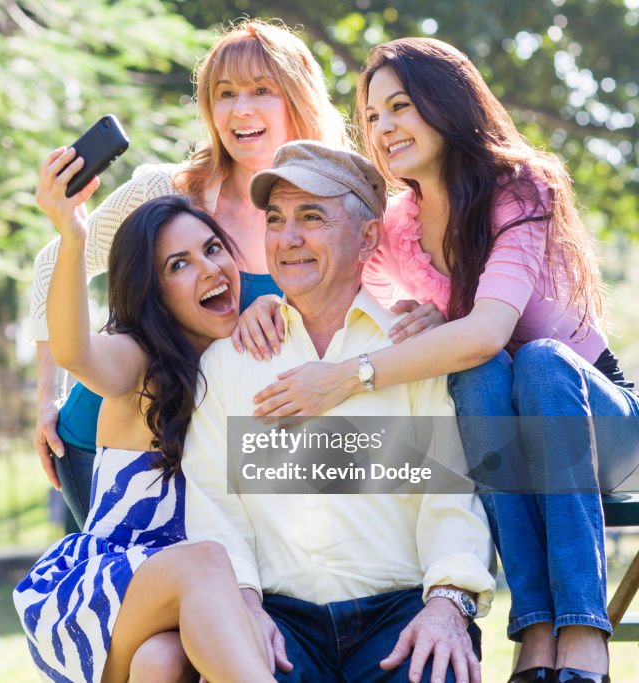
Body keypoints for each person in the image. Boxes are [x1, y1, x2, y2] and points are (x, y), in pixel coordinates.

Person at [237, 38, 638, 683]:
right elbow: (324, 276)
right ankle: (535, 634)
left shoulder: (520, 186)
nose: (384, 127)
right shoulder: (397, 224)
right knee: (477, 378)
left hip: (598, 422)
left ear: (445, 104)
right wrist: (263, 304)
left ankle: (585, 631)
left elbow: (485, 331)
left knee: (535, 361)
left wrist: (347, 378)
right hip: (502, 424)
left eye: (401, 106)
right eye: (371, 116)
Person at [183, 140, 496, 683]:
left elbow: (451, 495)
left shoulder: (414, 350)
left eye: (311, 217)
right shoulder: (228, 363)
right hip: (276, 618)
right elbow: (214, 504)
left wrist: (447, 605)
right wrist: (242, 606)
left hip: (402, 613)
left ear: (368, 236)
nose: (288, 239)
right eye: (276, 220)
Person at [28, 18, 350, 526]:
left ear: (298, 97)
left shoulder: (339, 209)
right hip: (106, 447)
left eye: (261, 90)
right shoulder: (166, 191)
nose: (240, 110)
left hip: (212, 458)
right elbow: (53, 264)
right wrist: (49, 395)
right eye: (225, 94)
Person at [13, 150, 275, 683]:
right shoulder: (140, 361)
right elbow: (75, 352)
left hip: (189, 604)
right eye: (178, 266)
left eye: (212, 249)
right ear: (154, 293)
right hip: (114, 591)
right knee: (203, 562)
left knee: (162, 663)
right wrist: (72, 235)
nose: (207, 270)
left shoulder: (248, 351)